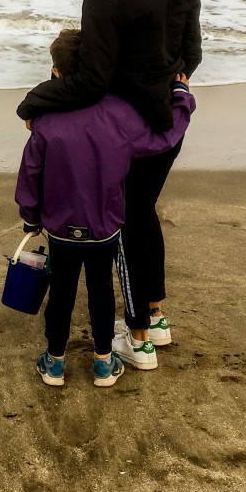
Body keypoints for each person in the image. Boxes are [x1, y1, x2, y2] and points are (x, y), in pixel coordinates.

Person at [17, 0, 201, 363]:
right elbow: (190, 56)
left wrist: (35, 100)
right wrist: (171, 91)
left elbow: (92, 82)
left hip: (123, 133)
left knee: (129, 224)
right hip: (167, 124)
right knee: (144, 214)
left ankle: (138, 339)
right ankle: (154, 316)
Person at [16, 28, 195, 387]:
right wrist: (181, 97)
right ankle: (102, 363)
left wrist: (31, 217)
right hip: (105, 227)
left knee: (62, 292)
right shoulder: (120, 114)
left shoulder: (45, 121)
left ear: (56, 73)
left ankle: (54, 363)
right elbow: (163, 138)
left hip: (61, 228)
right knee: (101, 290)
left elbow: (31, 172)